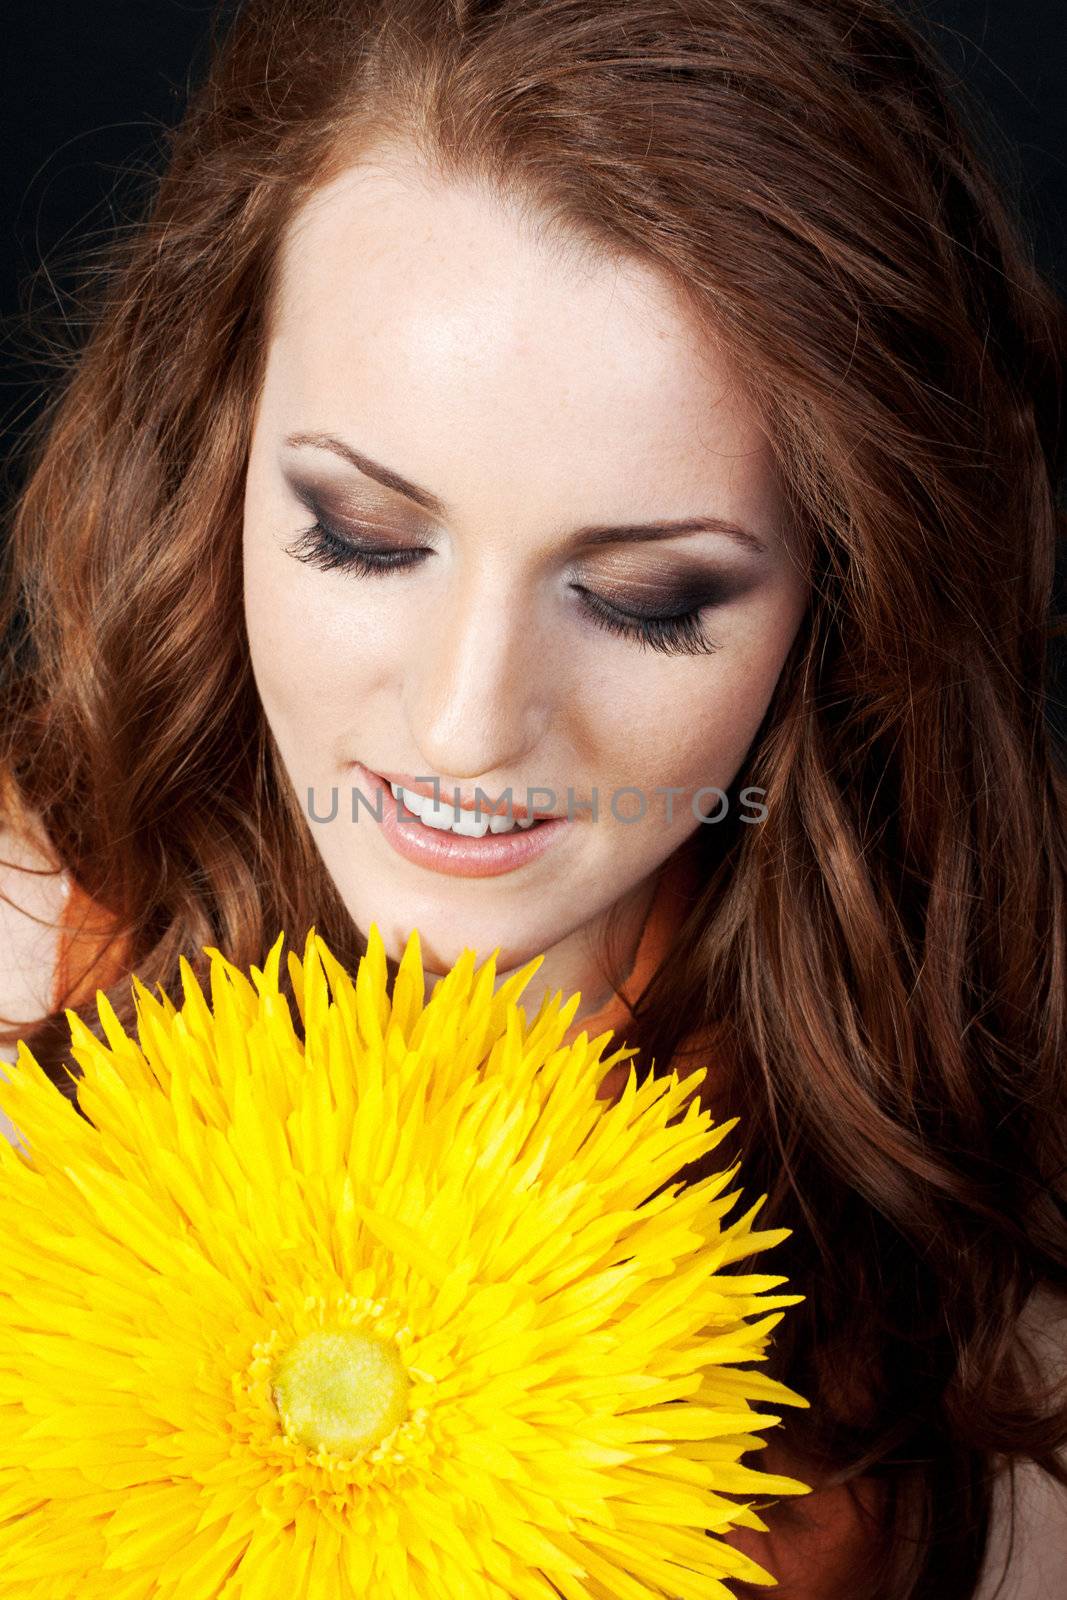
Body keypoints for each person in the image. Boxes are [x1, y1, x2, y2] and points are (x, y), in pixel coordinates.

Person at [1, 1, 1065, 1594]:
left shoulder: (977, 1168)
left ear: (847, 595)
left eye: (645, 597)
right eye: (361, 535)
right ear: (214, 442)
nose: (465, 723)